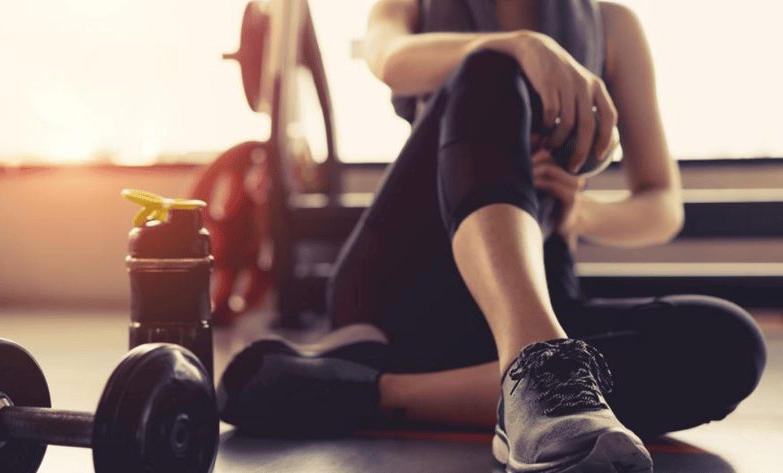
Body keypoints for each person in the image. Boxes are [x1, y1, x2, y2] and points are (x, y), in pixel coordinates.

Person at [216, 1, 767, 472]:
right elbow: (389, 60)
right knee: (490, 66)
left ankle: (370, 391)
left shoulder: (613, 24)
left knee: (730, 343)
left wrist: (582, 215)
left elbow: (662, 205)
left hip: (540, 293)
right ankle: (539, 366)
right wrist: (521, 45)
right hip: (403, 290)